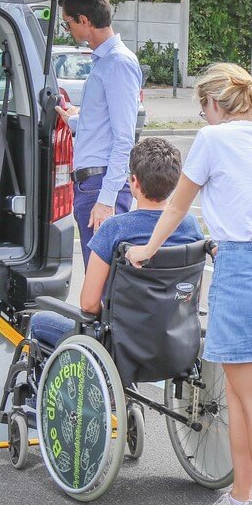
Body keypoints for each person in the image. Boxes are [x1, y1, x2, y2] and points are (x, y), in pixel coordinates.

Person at [125, 63, 252, 505]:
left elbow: (177, 207)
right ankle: (240, 501)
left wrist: (145, 250)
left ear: (214, 104)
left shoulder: (213, 140)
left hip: (245, 276)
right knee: (248, 400)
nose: (201, 117)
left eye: (201, 107)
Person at [29, 137, 203, 350]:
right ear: (175, 182)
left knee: (38, 322)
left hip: (123, 343)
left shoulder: (114, 229)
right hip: (176, 340)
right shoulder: (191, 227)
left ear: (134, 181)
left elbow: (89, 304)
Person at [55, 0, 143, 268]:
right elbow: (103, 123)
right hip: (91, 184)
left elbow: (123, 138)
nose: (67, 30)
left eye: (67, 24)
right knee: (98, 277)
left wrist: (106, 199)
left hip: (100, 185)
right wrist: (74, 120)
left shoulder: (118, 64)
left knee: (103, 281)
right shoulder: (105, 63)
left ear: (85, 20)